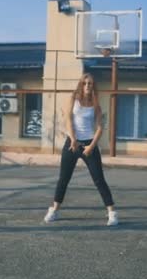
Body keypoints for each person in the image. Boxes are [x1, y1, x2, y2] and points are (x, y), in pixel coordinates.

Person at [43, 73, 118, 226]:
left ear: (93, 85)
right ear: (80, 85)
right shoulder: (73, 99)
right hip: (72, 143)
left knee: (99, 180)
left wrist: (91, 146)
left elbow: (99, 128)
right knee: (63, 179)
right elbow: (68, 119)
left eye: (90, 83)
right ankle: (54, 210)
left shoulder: (96, 104)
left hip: (89, 144)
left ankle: (112, 213)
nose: (87, 86)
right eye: (84, 83)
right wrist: (73, 139)